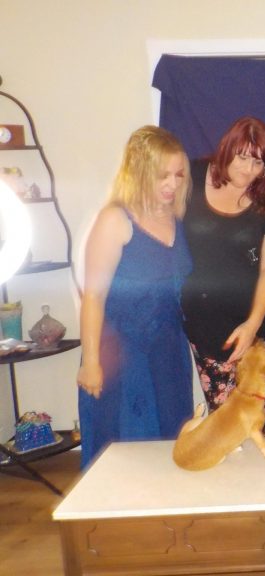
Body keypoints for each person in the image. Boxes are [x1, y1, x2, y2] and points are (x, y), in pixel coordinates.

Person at [77, 126, 194, 469]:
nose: (173, 184)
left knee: (170, 446)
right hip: (121, 356)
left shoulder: (175, 217)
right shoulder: (115, 219)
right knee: (124, 451)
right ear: (139, 172)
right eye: (163, 176)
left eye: (178, 174)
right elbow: (93, 296)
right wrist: (91, 362)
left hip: (169, 352)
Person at [181, 117, 265, 433]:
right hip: (203, 318)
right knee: (223, 418)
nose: (248, 170)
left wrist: (252, 325)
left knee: (257, 412)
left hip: (255, 320)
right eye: (242, 157)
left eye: (258, 162)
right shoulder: (191, 177)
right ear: (226, 150)